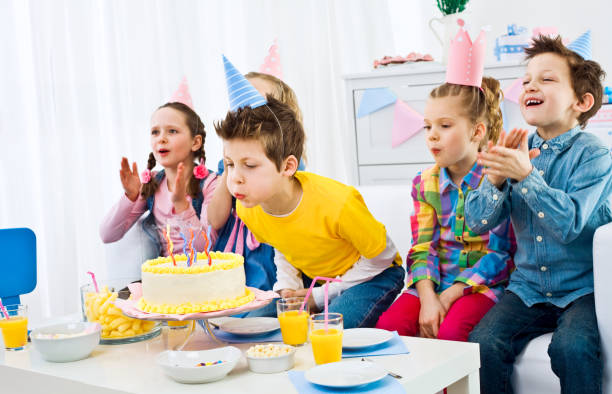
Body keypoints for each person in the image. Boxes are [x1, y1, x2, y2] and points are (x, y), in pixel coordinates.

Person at [466, 35, 612, 393]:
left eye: (546, 79)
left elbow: (569, 224)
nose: (531, 84)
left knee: (572, 347)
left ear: (582, 101)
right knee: (481, 342)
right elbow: (476, 223)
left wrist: (526, 177)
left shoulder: (594, 155)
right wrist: (496, 181)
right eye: (527, 79)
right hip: (527, 287)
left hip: (582, 289)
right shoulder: (518, 148)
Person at [375, 75, 515, 341]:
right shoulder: (424, 183)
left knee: (451, 332)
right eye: (427, 127)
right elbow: (422, 247)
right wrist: (428, 298)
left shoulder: (497, 178)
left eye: (445, 125)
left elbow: (501, 253)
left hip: (480, 286)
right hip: (433, 283)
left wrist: (452, 294)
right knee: (389, 329)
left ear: (477, 131)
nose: (432, 136)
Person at [207, 72, 306, 292]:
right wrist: (230, 163)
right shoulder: (228, 165)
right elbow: (214, 219)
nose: (248, 110)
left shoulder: (287, 164)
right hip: (233, 250)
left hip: (270, 250)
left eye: (257, 103)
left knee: (262, 304)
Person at [100, 101, 218, 257]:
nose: (161, 138)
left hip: (202, 274)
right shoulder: (153, 183)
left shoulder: (211, 183)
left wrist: (182, 205)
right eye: (155, 132)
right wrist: (130, 197)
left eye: (172, 131)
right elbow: (107, 235)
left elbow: (206, 247)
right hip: (164, 274)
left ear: (195, 142)